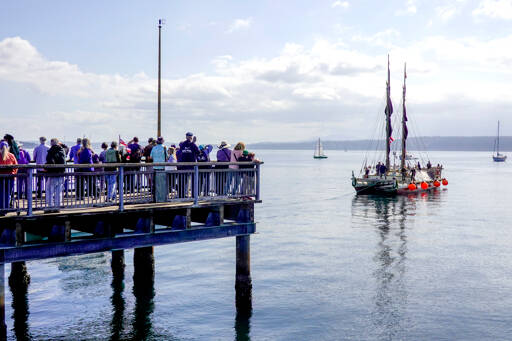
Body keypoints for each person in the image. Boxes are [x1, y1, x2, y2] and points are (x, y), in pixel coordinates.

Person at [45, 138, 66, 212]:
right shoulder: (62, 150)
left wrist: (46, 166)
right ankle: (57, 207)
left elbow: (50, 161)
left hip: (53, 173)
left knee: (49, 190)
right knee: (58, 191)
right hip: (61, 173)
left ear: (51, 143)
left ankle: (50, 206)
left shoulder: (51, 151)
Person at [178, 132, 200, 197]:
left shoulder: (182, 144)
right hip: (191, 166)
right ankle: (194, 195)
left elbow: (180, 153)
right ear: (191, 137)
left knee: (182, 181)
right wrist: (193, 143)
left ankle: (181, 195)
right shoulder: (193, 145)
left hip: (183, 166)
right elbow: (198, 152)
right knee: (193, 182)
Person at [0, 140, 18, 216]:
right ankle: (5, 209)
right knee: (8, 194)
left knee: (0, 193)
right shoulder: (11, 155)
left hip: (0, 178)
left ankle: (0, 208)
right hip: (10, 178)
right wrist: (14, 174)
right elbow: (16, 166)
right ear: (8, 147)